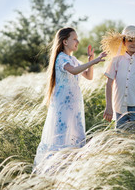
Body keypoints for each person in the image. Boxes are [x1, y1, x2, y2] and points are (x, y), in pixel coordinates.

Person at [34, 27, 107, 167]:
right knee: (62, 137)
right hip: (63, 107)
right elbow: (73, 71)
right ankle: (56, 168)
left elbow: (89, 76)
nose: (77, 41)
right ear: (65, 41)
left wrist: (90, 59)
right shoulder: (61, 58)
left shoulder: (73, 59)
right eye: (74, 38)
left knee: (73, 135)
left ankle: (70, 167)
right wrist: (95, 61)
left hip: (74, 107)